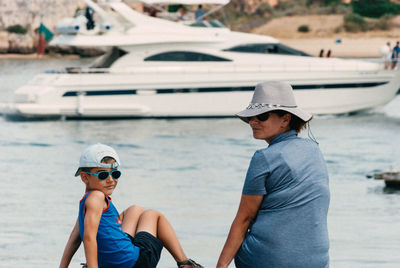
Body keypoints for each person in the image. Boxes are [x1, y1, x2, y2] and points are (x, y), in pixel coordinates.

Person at [217, 81, 330, 268]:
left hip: (269, 259)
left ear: (285, 119)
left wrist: (220, 266)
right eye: (251, 117)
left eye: (261, 116)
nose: (253, 122)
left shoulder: (264, 157)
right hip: (317, 260)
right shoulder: (314, 150)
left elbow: (244, 218)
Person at [59, 143, 202, 268]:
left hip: (116, 260)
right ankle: (184, 263)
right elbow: (89, 237)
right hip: (135, 263)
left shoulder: (87, 201)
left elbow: (75, 238)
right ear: (85, 177)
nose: (111, 180)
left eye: (115, 174)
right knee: (152, 214)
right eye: (102, 175)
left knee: (135, 210)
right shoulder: (97, 197)